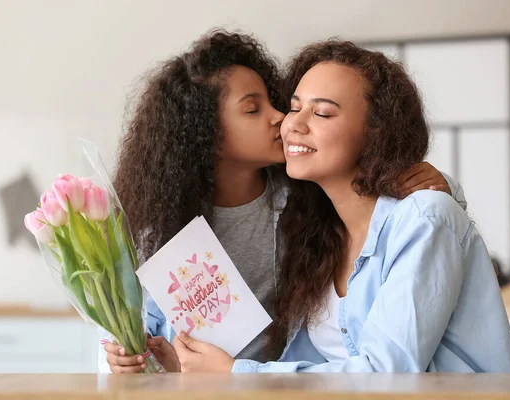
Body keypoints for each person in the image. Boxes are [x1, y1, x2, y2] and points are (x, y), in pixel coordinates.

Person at [100, 31, 466, 373]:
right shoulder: (163, 226)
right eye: (253, 109)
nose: (283, 119)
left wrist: (440, 186)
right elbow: (140, 334)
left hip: (275, 383)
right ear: (203, 134)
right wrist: (131, 357)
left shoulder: (307, 201)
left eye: (317, 112)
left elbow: (398, 207)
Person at [171, 39, 510, 373]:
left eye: (321, 113)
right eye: (294, 107)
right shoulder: (317, 233)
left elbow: (387, 374)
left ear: (375, 131)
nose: (292, 123)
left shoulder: (423, 219)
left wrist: (237, 374)